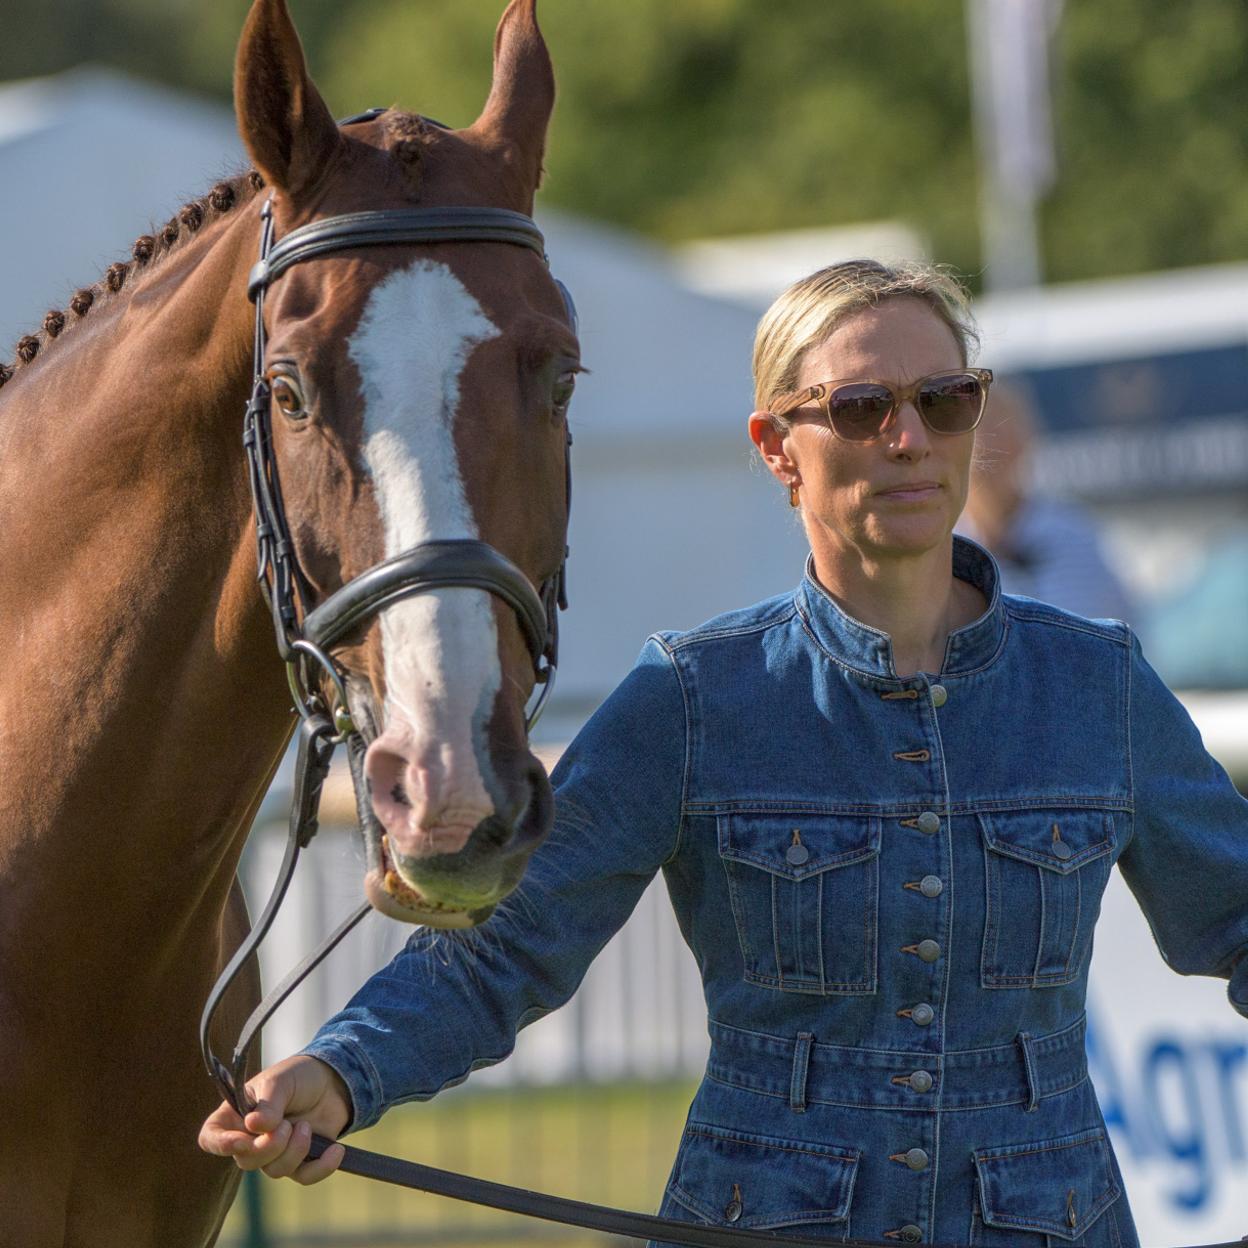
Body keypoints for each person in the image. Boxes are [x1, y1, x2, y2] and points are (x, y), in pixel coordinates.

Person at [200, 260, 1248, 1247]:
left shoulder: (1098, 687)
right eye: (859, 408)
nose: (908, 438)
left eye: (944, 400)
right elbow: (508, 949)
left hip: (1053, 1218)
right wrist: (341, 1073)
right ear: (776, 446)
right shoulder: (694, 697)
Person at [959, 381, 1136, 623]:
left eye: (1001, 429)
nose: (988, 445)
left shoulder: (1072, 534)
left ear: (1025, 439)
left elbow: (1113, 623)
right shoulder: (941, 544)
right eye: (978, 430)